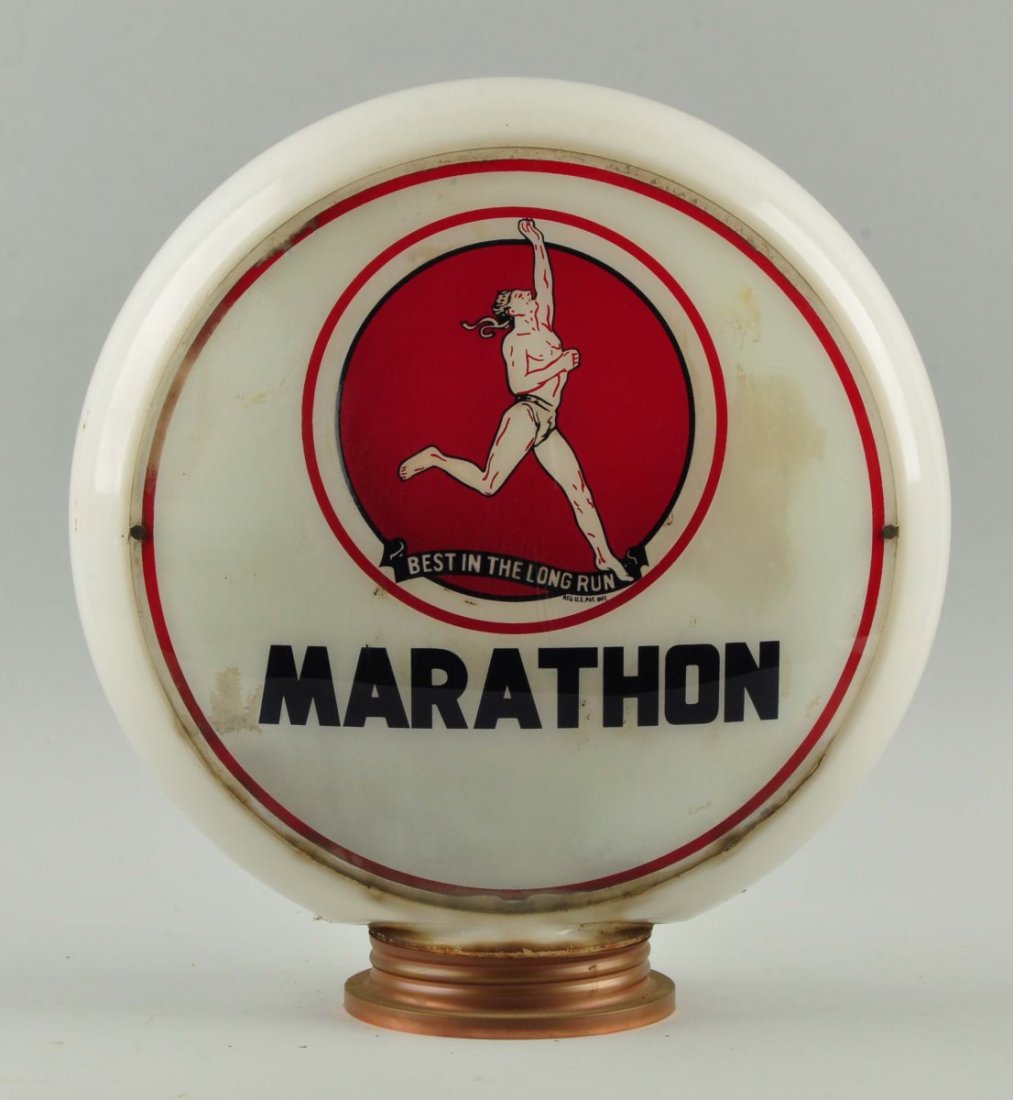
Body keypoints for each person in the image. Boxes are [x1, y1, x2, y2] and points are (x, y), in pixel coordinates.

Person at [399, 219, 632, 583]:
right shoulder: (515, 342)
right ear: (512, 311)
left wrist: (537, 243)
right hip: (525, 414)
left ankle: (604, 557)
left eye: (527, 294)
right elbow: (518, 382)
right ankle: (436, 458)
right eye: (520, 297)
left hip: (548, 422)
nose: (528, 295)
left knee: (579, 491)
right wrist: (560, 363)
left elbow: (545, 281)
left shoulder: (545, 325)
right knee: (488, 484)